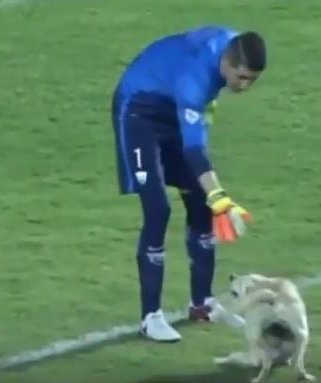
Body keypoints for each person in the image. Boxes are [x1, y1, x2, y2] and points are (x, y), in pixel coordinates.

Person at [110, 25, 267, 342]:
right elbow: (194, 149)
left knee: (199, 202)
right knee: (157, 208)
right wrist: (221, 199)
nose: (245, 85)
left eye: (252, 79)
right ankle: (150, 317)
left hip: (174, 109)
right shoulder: (195, 79)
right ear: (227, 64)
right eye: (242, 77)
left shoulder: (230, 46)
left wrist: (212, 197)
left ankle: (202, 304)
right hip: (139, 111)